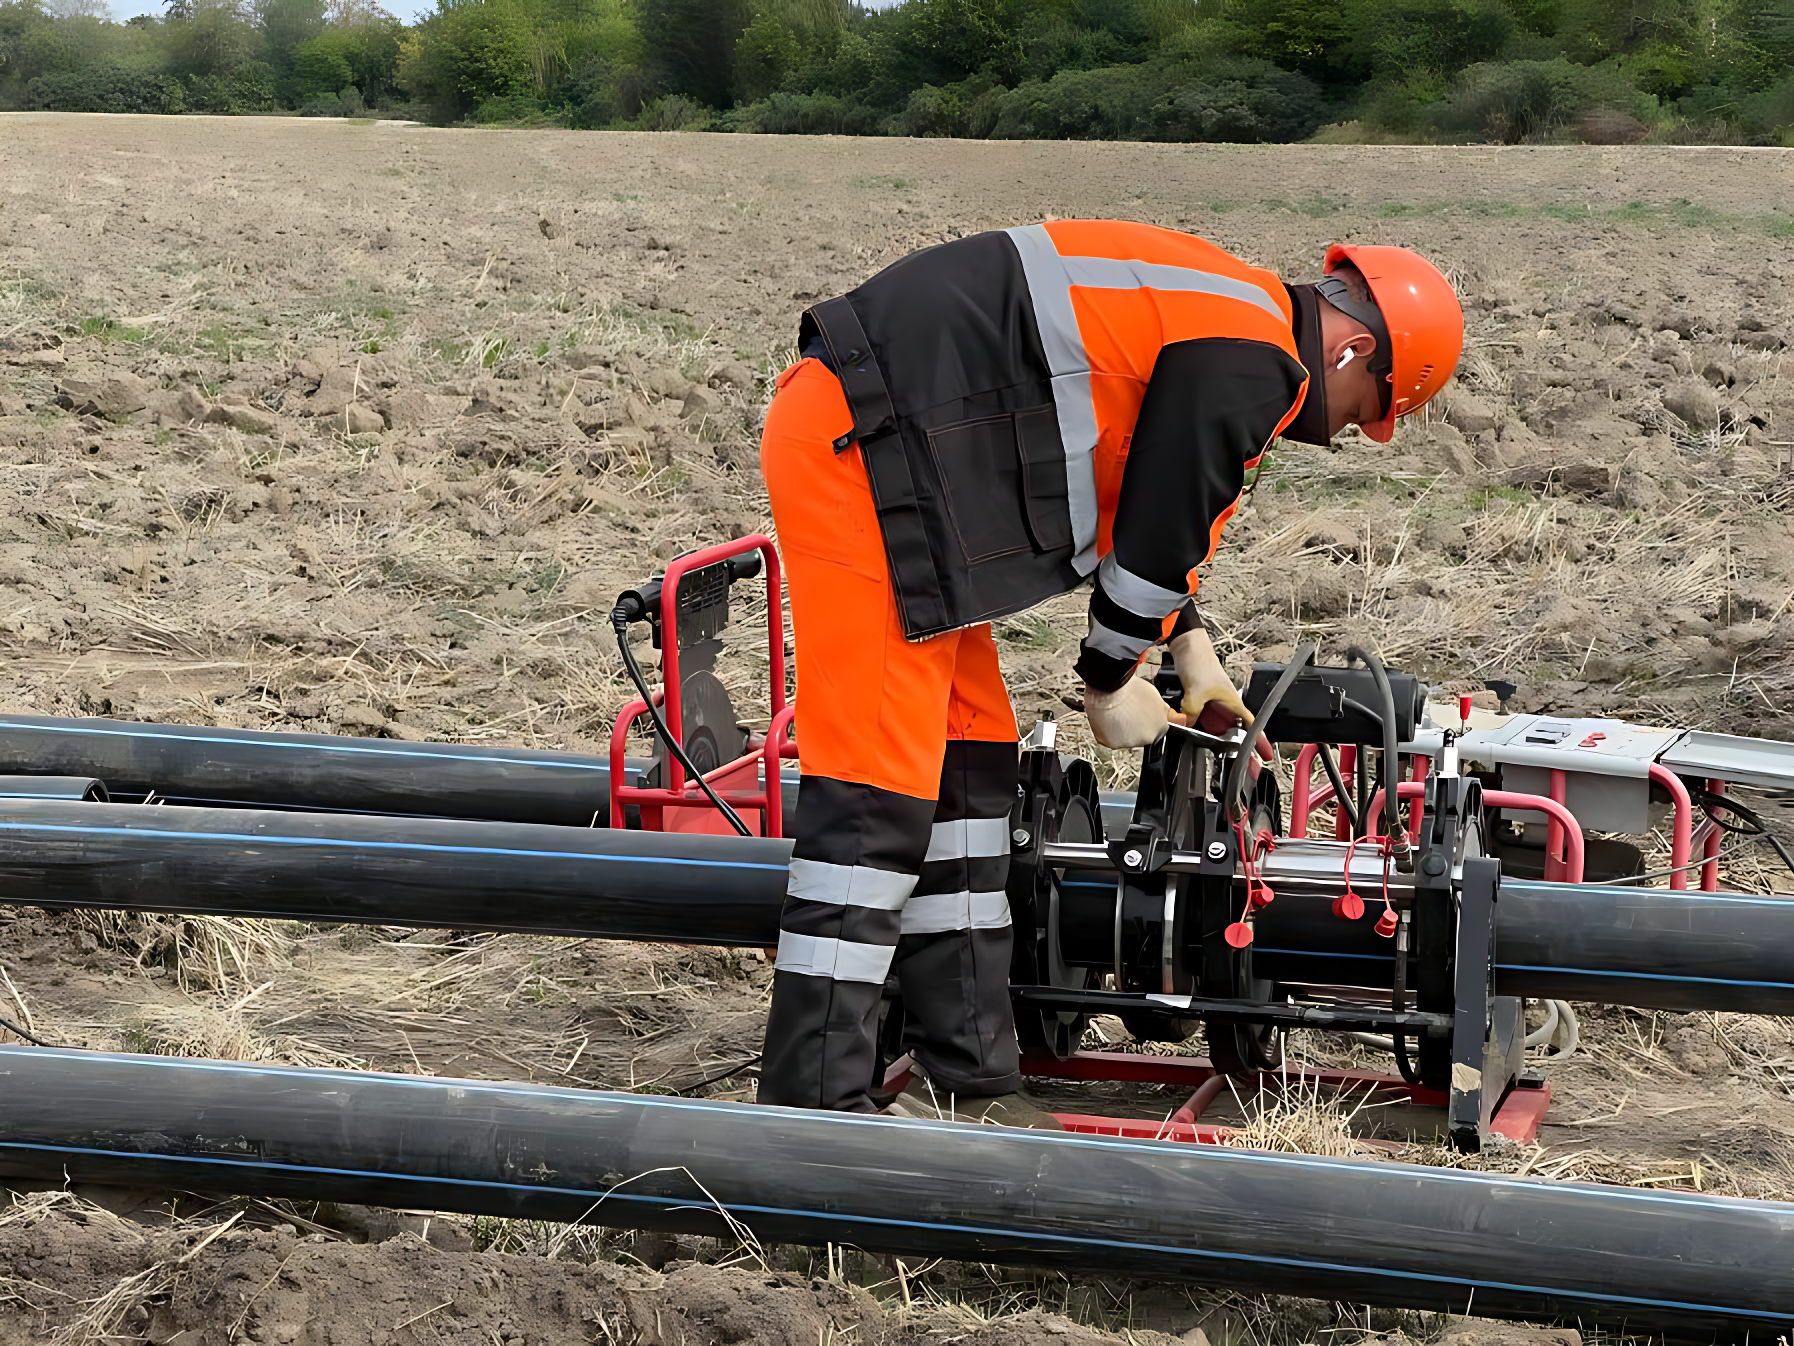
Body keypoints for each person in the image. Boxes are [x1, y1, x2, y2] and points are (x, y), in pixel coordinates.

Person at [755, 220, 1463, 1120]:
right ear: (1355, 350)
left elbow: (1143, 486)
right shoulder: (1254, 362)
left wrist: (1189, 649)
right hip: (866, 451)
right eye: (1369, 408)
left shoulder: (1237, 321)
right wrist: (1107, 679)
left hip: (910, 463)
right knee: (879, 786)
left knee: (968, 763)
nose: (1350, 429)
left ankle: (972, 1074)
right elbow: (1164, 516)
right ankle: (813, 1108)